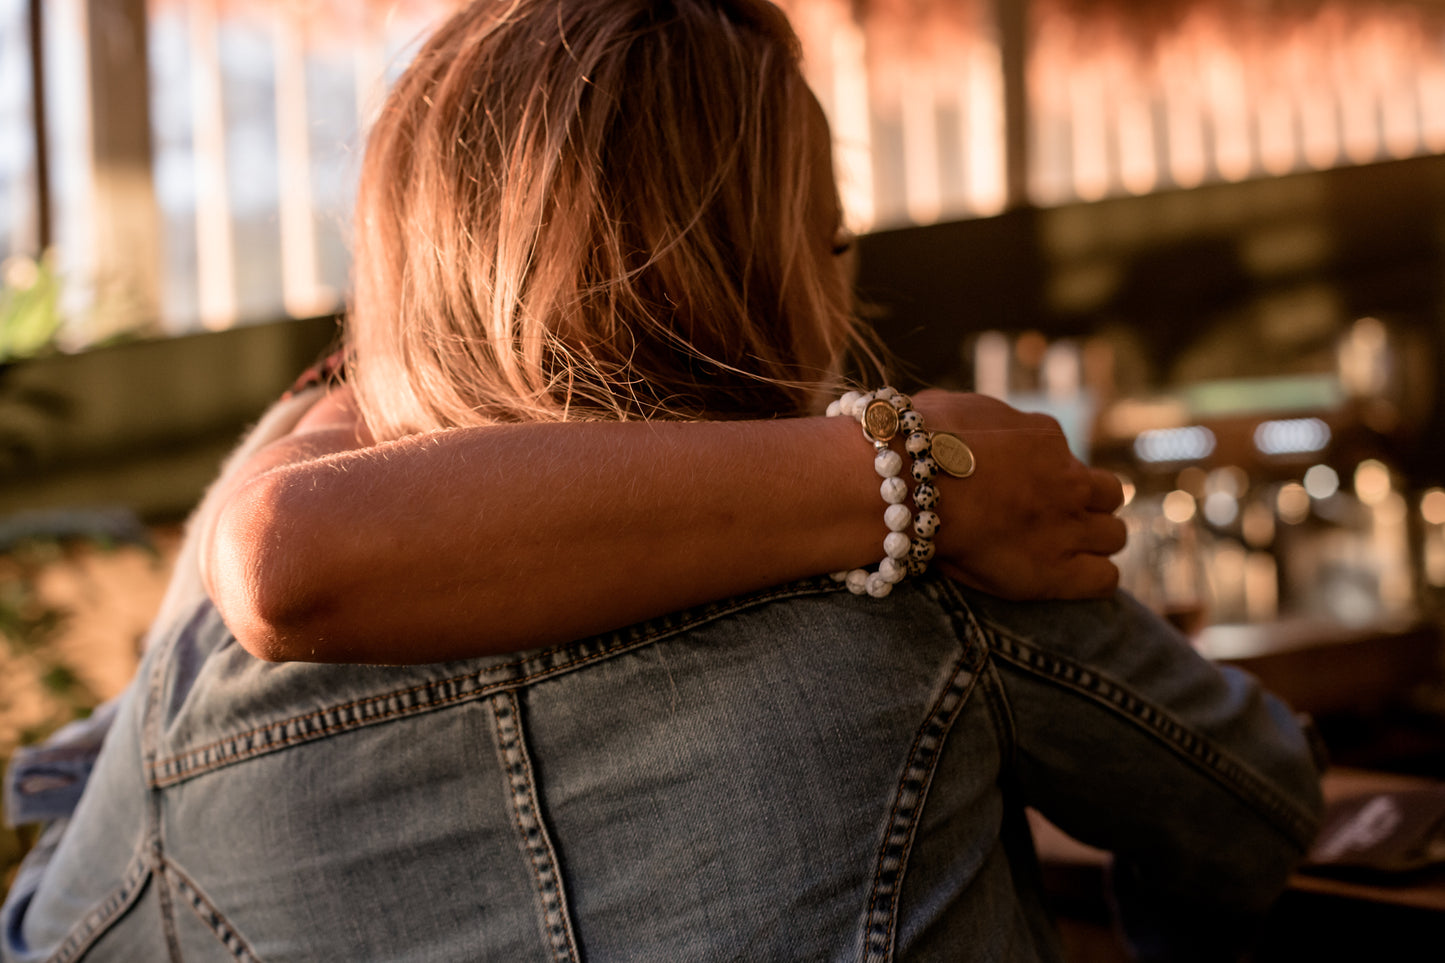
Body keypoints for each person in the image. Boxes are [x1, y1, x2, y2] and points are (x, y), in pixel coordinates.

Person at [3, 1, 1322, 960]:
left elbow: (58, 930)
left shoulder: (201, 689)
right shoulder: (932, 551)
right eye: (829, 237)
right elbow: (1244, 815)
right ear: (767, 272)